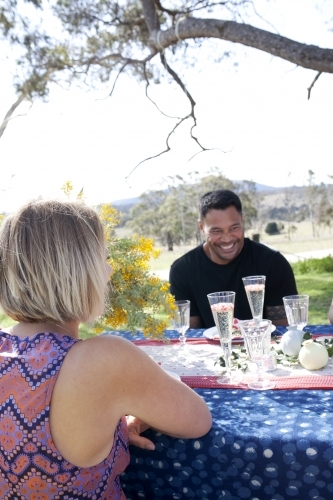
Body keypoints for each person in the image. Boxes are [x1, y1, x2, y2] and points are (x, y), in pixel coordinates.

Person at [0, 199, 211, 499]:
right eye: (103, 257)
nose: (109, 271)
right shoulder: (102, 360)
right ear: (75, 270)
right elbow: (198, 420)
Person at [170, 189, 298, 329]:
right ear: (201, 227)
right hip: (207, 350)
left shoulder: (273, 263)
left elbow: (285, 332)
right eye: (216, 231)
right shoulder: (182, 270)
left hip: (264, 348)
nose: (227, 238)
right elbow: (189, 335)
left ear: (242, 220)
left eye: (234, 228)